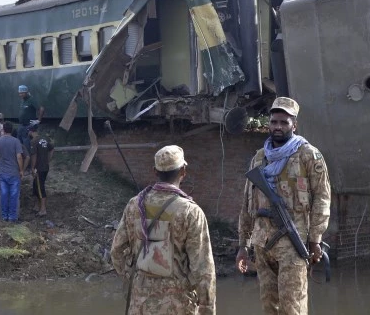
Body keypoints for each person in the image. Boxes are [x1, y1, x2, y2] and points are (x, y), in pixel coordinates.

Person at [237, 97, 331, 315]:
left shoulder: (308, 155)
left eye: (284, 122)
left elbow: (322, 198)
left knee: (292, 308)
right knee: (269, 306)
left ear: (294, 125)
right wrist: (243, 245)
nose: (278, 127)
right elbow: (247, 203)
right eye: (274, 122)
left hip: (292, 243)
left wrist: (315, 239)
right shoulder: (260, 158)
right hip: (262, 244)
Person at [110, 145, 216, 315]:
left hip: (140, 303)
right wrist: (207, 309)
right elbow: (203, 269)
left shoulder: (134, 205)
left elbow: (116, 251)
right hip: (178, 304)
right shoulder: (190, 212)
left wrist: (135, 279)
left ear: (155, 171)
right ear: (183, 171)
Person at [28, 124, 54, 217]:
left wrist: (33, 167)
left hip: (38, 168)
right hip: (45, 167)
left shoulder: (33, 141)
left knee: (40, 188)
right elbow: (51, 149)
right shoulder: (45, 139)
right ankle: (36, 206)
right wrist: (48, 160)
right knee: (36, 186)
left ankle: (43, 209)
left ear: (31, 131)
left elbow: (34, 155)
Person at [17, 85, 44, 154]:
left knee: (27, 146)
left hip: (28, 126)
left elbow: (41, 109)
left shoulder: (31, 99)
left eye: (22, 93)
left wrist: (38, 120)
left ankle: (29, 162)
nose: (20, 94)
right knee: (19, 145)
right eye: (19, 93)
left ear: (26, 92)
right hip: (21, 126)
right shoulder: (22, 100)